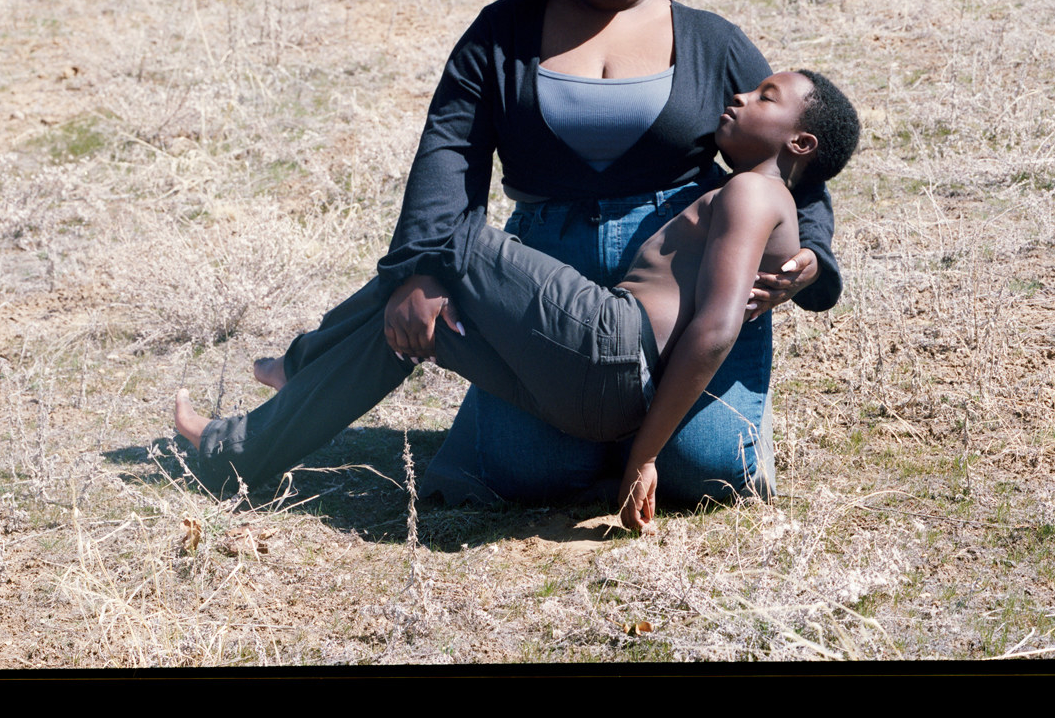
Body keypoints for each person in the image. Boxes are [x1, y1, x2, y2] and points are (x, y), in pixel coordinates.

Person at [174, 67, 861, 531]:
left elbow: (713, 331)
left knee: (449, 238)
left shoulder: (753, 191)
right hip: (598, 398)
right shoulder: (755, 194)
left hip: (612, 351)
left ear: (800, 141)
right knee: (419, 321)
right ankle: (238, 451)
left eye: (765, 96)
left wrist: (643, 458)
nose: (738, 98)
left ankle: (301, 362)